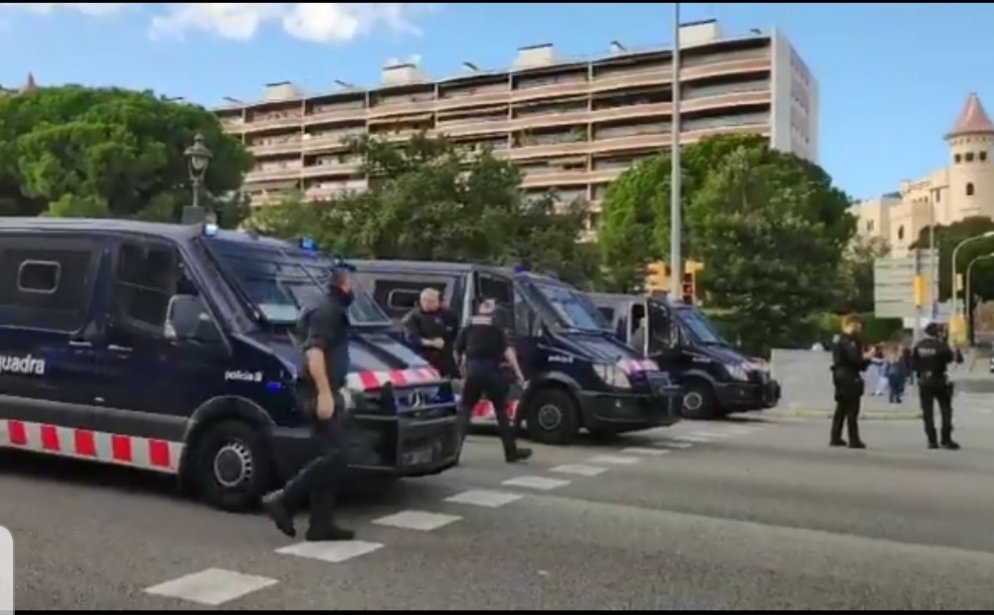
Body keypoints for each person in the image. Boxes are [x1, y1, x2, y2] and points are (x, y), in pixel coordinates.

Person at [261, 267, 356, 542]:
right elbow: (315, 353)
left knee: (325, 453)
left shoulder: (324, 306)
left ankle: (321, 524)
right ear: (345, 283)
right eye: (353, 283)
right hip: (316, 390)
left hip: (320, 388)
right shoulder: (328, 311)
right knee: (338, 455)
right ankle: (283, 499)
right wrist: (325, 394)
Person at [454, 298, 532, 463]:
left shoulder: (469, 325)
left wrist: (461, 370)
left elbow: (457, 350)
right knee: (501, 413)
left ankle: (454, 452)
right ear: (490, 309)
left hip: (473, 371)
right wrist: (518, 372)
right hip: (492, 372)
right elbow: (507, 352)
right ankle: (511, 452)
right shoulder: (497, 326)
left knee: (465, 411)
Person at [911, 322, 962, 450]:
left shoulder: (919, 346)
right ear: (938, 333)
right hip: (939, 379)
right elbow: (956, 360)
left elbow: (912, 364)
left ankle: (931, 440)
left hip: (924, 380)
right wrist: (955, 349)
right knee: (946, 410)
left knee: (927, 412)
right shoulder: (942, 346)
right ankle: (946, 439)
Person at [830, 314, 873, 449]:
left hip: (839, 375)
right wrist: (868, 356)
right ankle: (854, 440)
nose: (860, 329)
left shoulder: (838, 339)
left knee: (841, 407)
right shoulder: (849, 341)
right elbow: (855, 360)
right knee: (852, 409)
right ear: (852, 324)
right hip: (849, 376)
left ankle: (835, 436)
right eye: (859, 325)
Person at [402, 288, 460, 378]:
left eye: (434, 301)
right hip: (424, 358)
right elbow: (412, 338)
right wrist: (432, 343)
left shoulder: (448, 314)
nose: (428, 303)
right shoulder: (412, 317)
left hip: (446, 358)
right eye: (426, 301)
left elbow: (454, 333)